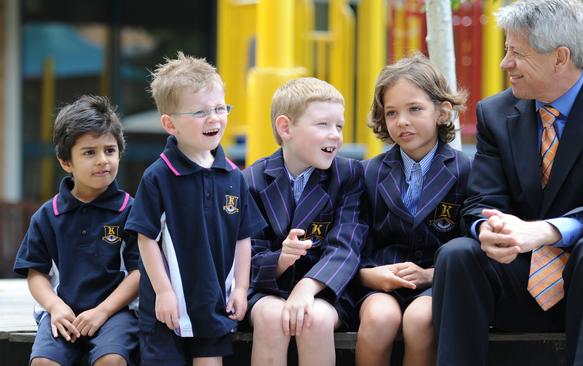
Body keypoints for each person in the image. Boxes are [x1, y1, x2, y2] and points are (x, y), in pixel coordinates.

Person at [431, 0, 583, 365]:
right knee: (458, 254)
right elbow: (481, 202)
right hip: (523, 277)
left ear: (560, 57)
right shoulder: (495, 113)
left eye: (517, 53)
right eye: (506, 51)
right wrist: (489, 228)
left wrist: (544, 231)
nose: (505, 64)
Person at [125, 52, 266, 365]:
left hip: (213, 306)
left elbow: (244, 238)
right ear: (170, 123)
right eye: (200, 112)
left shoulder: (233, 175)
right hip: (166, 311)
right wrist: (163, 292)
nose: (214, 118)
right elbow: (145, 239)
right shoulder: (158, 176)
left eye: (219, 108)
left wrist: (242, 288)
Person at [354, 54, 470, 366]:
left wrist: (431, 275)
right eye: (391, 112)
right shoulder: (368, 173)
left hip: (437, 282)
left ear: (443, 111)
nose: (402, 120)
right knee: (379, 320)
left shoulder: (466, 171)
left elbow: (469, 244)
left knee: (421, 320)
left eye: (414, 109)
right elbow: (354, 238)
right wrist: (370, 276)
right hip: (379, 280)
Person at [243, 77, 368, 366]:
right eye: (323, 125)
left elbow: (346, 246)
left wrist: (307, 287)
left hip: (326, 289)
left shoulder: (349, 176)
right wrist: (280, 260)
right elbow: (247, 252)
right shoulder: (252, 180)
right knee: (272, 318)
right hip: (267, 288)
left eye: (339, 126)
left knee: (314, 319)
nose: (335, 135)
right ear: (285, 127)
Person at [14, 95, 140, 366]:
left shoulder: (131, 210)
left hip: (115, 313)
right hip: (64, 312)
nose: (102, 160)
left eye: (109, 150)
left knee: (111, 360)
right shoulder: (48, 215)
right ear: (65, 162)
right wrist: (55, 307)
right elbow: (36, 271)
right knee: (43, 363)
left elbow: (139, 272)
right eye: (89, 152)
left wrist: (103, 311)